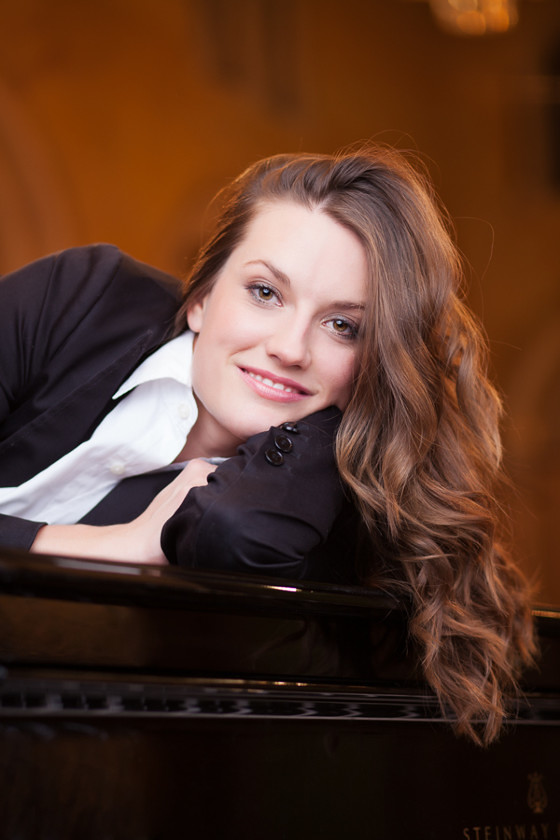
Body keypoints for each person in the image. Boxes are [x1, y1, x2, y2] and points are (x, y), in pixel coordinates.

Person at [0, 145, 535, 744]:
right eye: (265, 292)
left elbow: (236, 531)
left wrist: (341, 423)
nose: (290, 348)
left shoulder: (308, 505)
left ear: (376, 363)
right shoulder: (82, 298)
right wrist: (116, 547)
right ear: (202, 297)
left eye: (343, 326)